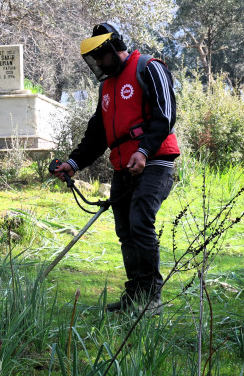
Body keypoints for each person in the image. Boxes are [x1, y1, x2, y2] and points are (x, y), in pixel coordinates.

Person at [53, 22, 180, 313]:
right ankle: (134, 295)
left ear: (111, 49)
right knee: (125, 230)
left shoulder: (148, 67)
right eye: (94, 59)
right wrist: (73, 164)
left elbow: (167, 114)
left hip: (156, 160)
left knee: (139, 221)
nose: (96, 63)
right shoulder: (108, 86)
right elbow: (97, 134)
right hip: (123, 167)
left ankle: (151, 298)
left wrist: (145, 151)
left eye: (99, 57)